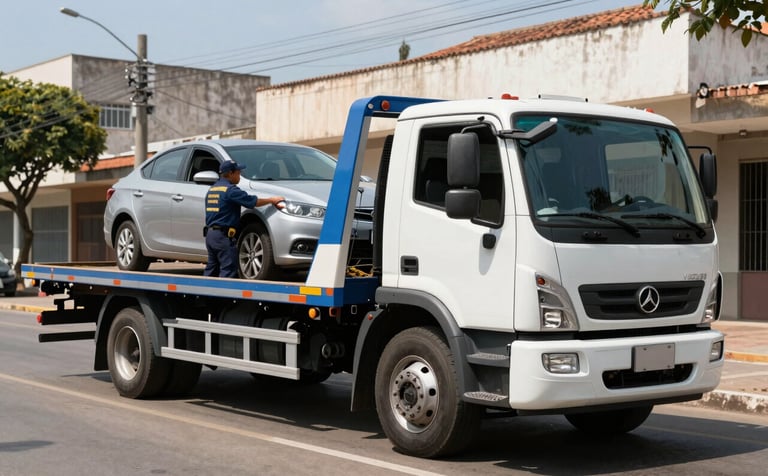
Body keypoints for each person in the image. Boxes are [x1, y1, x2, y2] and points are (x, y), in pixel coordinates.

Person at [204, 160, 284, 278]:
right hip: (223, 237)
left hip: (211, 236)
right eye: (238, 172)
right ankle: (224, 296)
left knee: (212, 269)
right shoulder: (231, 190)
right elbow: (253, 201)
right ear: (230, 173)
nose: (239, 176)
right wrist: (272, 200)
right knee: (228, 270)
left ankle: (205, 294)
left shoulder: (212, 189)